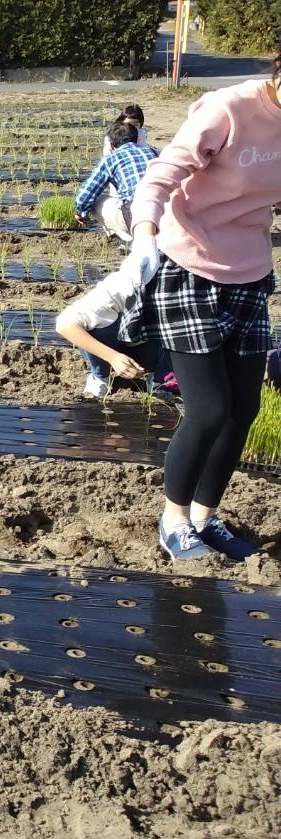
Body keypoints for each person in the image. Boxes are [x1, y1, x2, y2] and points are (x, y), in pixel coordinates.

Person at [117, 48, 281, 561]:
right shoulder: (230, 109)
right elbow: (161, 176)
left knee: (243, 410)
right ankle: (174, 520)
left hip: (250, 270)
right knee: (208, 409)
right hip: (187, 263)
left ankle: (206, 518)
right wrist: (144, 236)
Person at [56, 267, 174, 400]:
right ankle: (100, 376)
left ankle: (160, 379)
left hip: (150, 345)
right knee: (94, 329)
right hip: (113, 342)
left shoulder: (190, 294)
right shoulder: (120, 288)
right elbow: (64, 325)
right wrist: (113, 357)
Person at [74, 120, 158, 244]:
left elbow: (85, 195)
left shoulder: (112, 158)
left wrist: (80, 212)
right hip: (165, 212)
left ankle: (127, 238)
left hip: (136, 216)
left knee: (96, 199)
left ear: (112, 145)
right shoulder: (154, 152)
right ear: (136, 139)